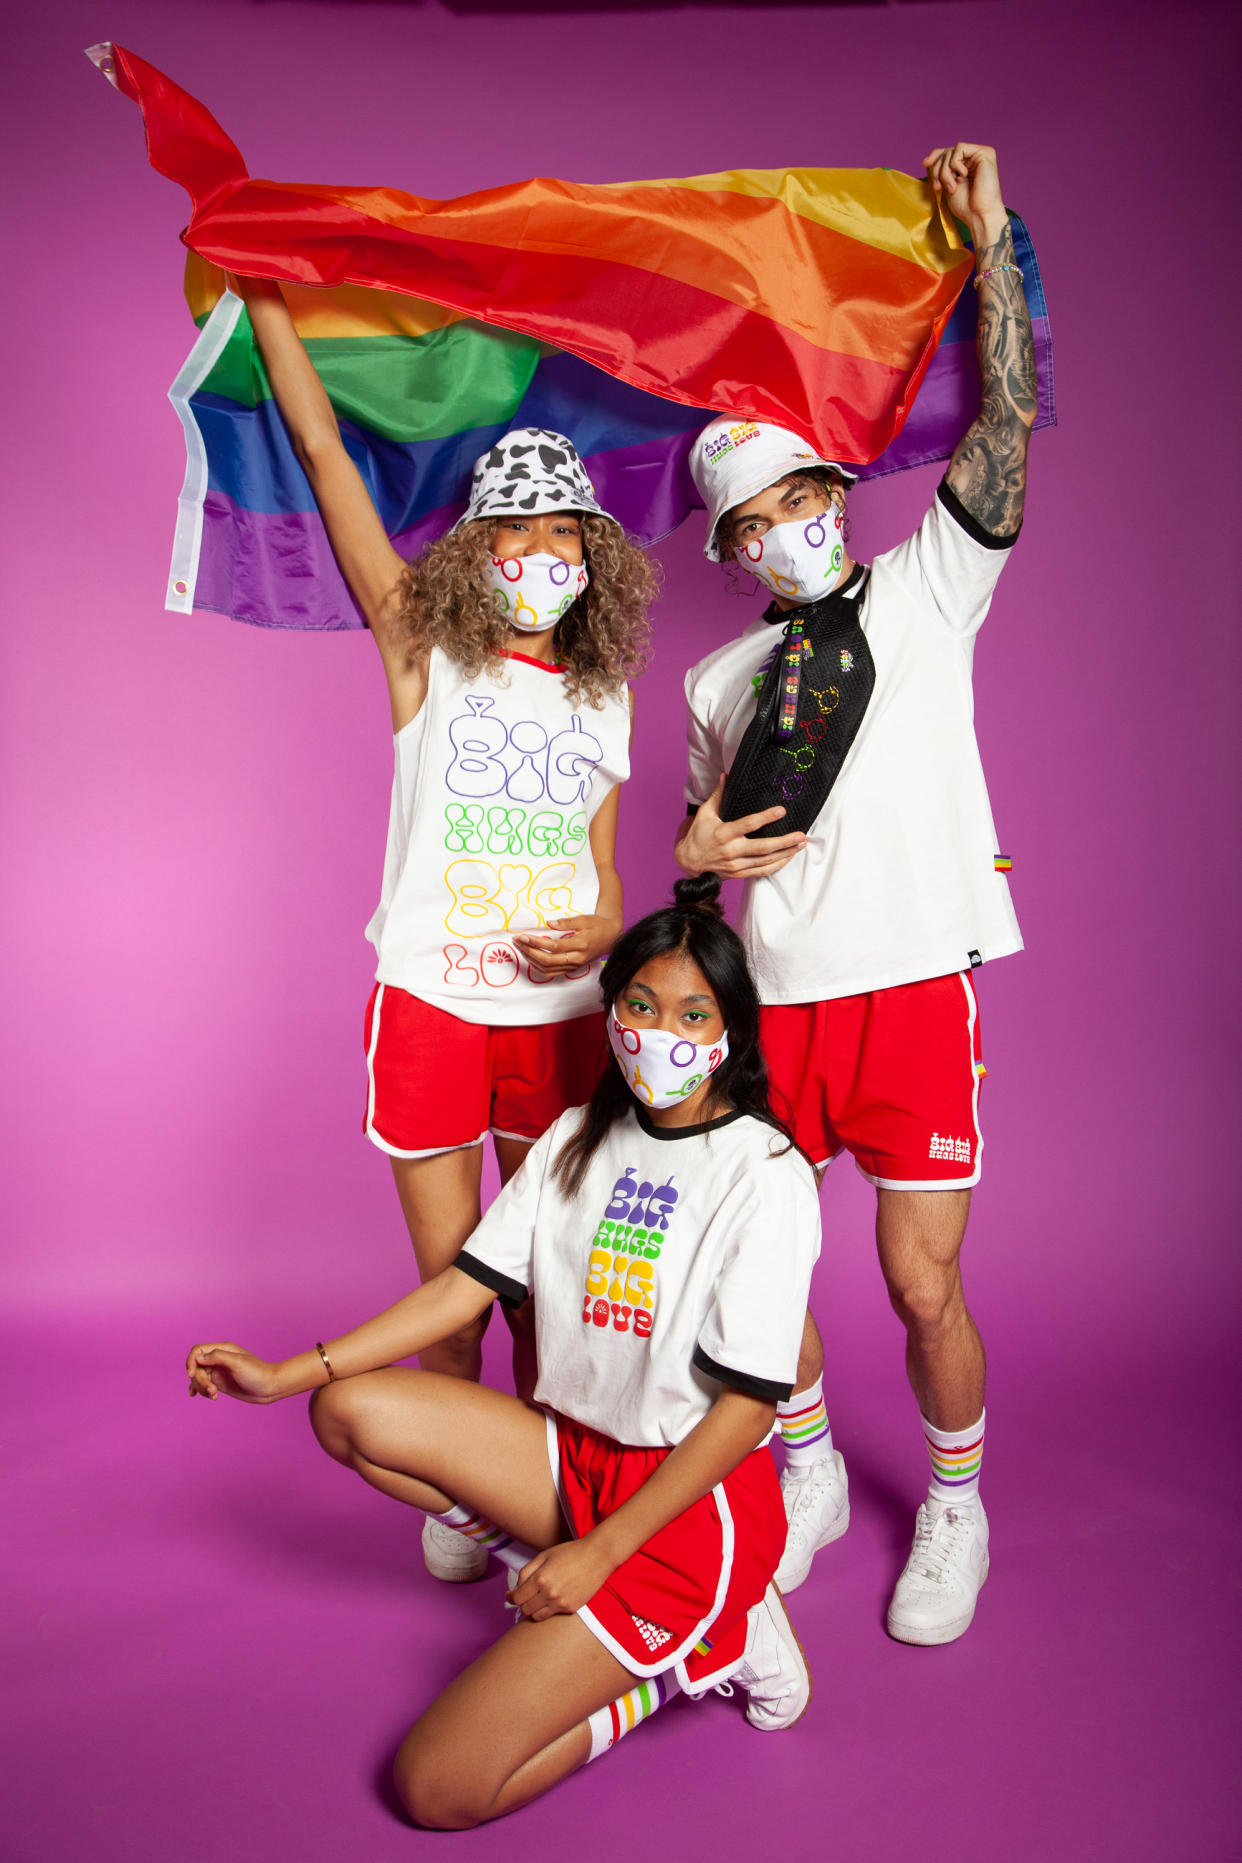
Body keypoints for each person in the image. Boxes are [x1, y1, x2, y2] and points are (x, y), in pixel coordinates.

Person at [187, 875, 819, 1827]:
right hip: (572, 1461)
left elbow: (746, 1411)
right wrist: (289, 1372)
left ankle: (702, 1653)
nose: (664, 1033)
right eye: (642, 1005)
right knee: (346, 1409)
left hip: (685, 1510)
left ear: (732, 1032)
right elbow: (461, 1288)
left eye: (695, 1013)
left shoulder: (764, 1175)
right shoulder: (576, 1139)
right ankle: (569, 1566)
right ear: (611, 1013)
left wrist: (602, 1555)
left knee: (438, 1787)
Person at [236, 278, 657, 1581]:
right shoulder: (423, 649)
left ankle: (541, 1478)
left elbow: (602, 882)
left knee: (541, 1280)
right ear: (479, 551)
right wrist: (268, 310)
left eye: (562, 538)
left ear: (591, 554)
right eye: (515, 536)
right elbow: (321, 458)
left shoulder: (607, 696)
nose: (540, 559)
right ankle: (462, 1486)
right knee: (448, 1286)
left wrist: (592, 930)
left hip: (556, 1025)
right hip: (427, 1001)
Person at [675, 144, 1036, 1644]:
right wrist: (690, 860)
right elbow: (721, 844)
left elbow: (1003, 424)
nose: (776, 532)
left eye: (793, 500)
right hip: (780, 1000)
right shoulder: (713, 675)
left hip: (909, 987)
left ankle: (955, 1497)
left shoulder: (925, 585)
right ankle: (809, 1466)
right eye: (747, 525)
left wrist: (991, 247)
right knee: (758, 1274)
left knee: (916, 1281)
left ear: (833, 487)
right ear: (731, 548)